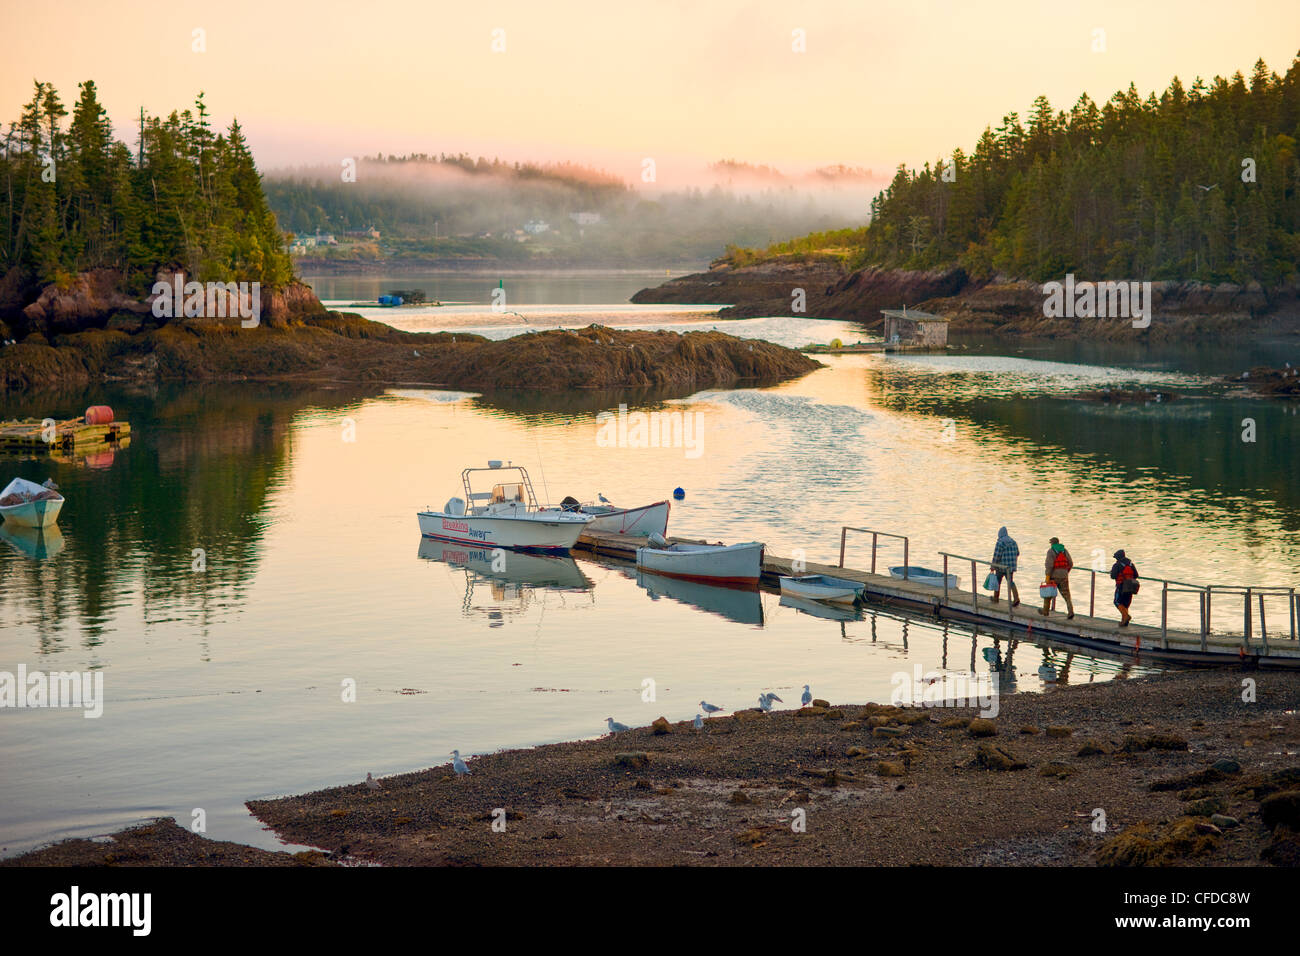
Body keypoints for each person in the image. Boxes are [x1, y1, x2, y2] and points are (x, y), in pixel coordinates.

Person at [1040, 537, 1075, 619]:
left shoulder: (1051, 551)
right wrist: (1066, 572)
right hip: (1064, 576)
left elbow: (1049, 565)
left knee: (1048, 594)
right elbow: (1071, 563)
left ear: (1052, 543)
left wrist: (1047, 577)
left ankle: (1045, 611)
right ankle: (1070, 611)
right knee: (1067, 595)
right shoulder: (1064, 551)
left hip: (1053, 576)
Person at [990, 526, 1020, 606]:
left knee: (997, 582)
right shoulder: (1013, 542)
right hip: (1011, 567)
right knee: (1010, 582)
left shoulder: (1000, 543)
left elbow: (997, 556)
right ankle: (1016, 598)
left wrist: (992, 566)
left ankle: (996, 598)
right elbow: (1018, 553)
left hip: (1001, 567)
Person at [1110, 549, 1140, 626]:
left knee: (1117, 602)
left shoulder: (1117, 565)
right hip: (1130, 587)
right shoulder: (1131, 564)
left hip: (1121, 586)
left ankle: (1126, 616)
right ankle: (1124, 621)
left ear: (1117, 558)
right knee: (1125, 604)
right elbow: (1136, 575)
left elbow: (1113, 576)